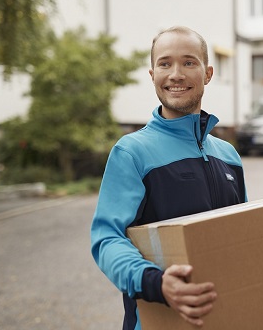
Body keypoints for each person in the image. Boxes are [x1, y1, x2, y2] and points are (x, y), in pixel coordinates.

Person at [90, 25, 247, 330]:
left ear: (208, 73)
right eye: (165, 63)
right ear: (152, 75)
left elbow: (243, 236)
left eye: (189, 62)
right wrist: (157, 283)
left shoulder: (229, 156)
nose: (176, 74)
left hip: (223, 317)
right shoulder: (132, 153)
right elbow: (107, 240)